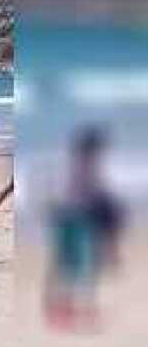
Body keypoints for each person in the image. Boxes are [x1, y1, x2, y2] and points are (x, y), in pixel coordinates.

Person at [44, 127, 124, 330]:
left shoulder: (76, 165)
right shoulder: (82, 167)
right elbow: (82, 195)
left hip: (74, 219)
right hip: (74, 220)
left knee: (72, 267)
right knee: (76, 267)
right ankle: (69, 311)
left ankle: (68, 311)